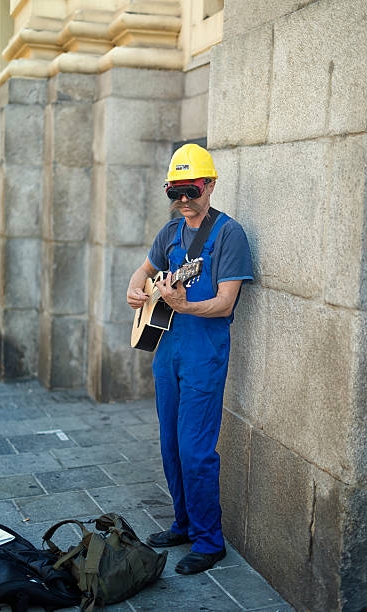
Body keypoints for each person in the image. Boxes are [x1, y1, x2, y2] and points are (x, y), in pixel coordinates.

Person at [126, 143, 253, 575]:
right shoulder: (168, 233)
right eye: (175, 192)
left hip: (203, 353)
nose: (184, 200)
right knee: (170, 445)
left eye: (192, 190)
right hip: (167, 350)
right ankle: (183, 522)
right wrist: (135, 288)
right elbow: (143, 271)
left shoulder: (229, 235)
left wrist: (184, 306)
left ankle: (208, 540)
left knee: (195, 450)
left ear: (211, 185)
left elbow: (225, 302)